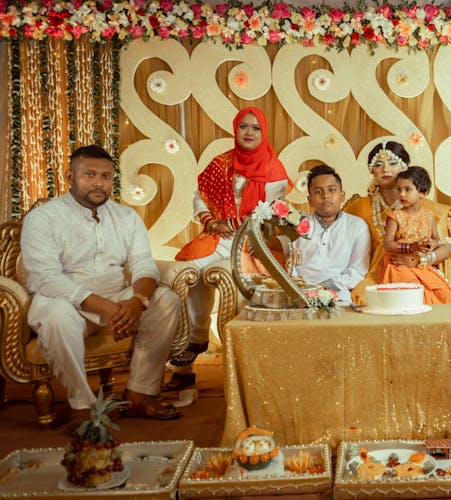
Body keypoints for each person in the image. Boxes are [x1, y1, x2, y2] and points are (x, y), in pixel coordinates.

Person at [20, 145, 181, 421]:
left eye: (106, 177)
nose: (99, 183)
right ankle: (82, 406)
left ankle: (140, 393)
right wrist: (103, 307)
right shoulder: (43, 219)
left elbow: (144, 265)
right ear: (70, 177)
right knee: (55, 315)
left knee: (167, 301)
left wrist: (136, 301)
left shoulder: (126, 217)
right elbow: (45, 278)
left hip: (118, 301)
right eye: (90, 174)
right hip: (66, 303)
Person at [168, 107, 291, 391]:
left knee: (224, 277)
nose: (249, 133)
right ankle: (194, 340)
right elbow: (199, 198)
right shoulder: (222, 162)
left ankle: (244, 371)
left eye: (255, 128)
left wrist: (234, 222)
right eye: (243, 127)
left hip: (253, 243)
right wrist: (211, 221)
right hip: (218, 238)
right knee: (188, 273)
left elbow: (272, 213)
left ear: (264, 132)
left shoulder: (273, 169)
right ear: (235, 130)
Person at [343, 141, 451, 304]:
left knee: (434, 298)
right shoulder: (358, 208)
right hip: (375, 273)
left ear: (404, 168)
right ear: (371, 171)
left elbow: (445, 247)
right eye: (378, 164)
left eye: (393, 163)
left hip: (420, 270)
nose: (385, 169)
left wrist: (422, 259)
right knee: (363, 299)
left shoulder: (427, 209)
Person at [290, 165, 370, 304]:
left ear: (342, 195)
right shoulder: (296, 223)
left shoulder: (357, 226)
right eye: (318, 191)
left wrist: (325, 286)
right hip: (298, 294)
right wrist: (300, 287)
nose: (325, 195)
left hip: (338, 296)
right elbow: (289, 264)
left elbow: (357, 271)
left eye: (331, 190)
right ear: (309, 200)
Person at [380, 166, 451, 304]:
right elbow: (387, 244)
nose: (402, 194)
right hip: (399, 264)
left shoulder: (428, 215)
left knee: (444, 293)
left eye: (407, 189)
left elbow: (437, 240)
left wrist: (434, 244)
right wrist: (411, 247)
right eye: (399, 189)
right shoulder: (395, 216)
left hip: (420, 263)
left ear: (423, 192)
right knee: (415, 292)